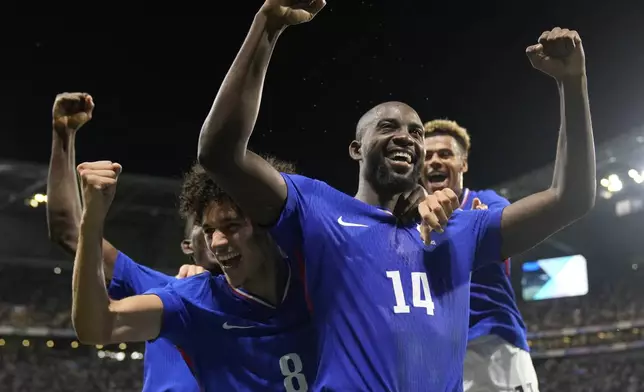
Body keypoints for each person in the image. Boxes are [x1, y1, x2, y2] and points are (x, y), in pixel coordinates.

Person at [196, 0, 595, 388]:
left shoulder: (461, 227)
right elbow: (220, 153)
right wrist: (266, 27)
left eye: (416, 132)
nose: (405, 137)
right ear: (356, 148)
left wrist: (572, 84)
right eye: (387, 127)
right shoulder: (317, 210)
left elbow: (571, 198)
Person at [71, 157, 316, 391]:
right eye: (209, 230)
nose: (217, 243)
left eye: (232, 226)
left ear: (270, 223)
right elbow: (96, 327)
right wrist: (92, 219)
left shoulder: (319, 281)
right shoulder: (195, 300)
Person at [47, 92, 219, 392]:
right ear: (187, 247)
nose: (216, 233)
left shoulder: (271, 300)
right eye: (205, 225)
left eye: (229, 223)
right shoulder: (162, 292)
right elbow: (70, 233)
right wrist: (64, 136)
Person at [422, 119, 538, 391]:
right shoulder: (409, 221)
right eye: (427, 156)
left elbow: (508, 227)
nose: (434, 161)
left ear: (463, 164)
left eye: (445, 154)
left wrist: (478, 225)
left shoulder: (491, 202)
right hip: (435, 354)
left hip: (494, 346)